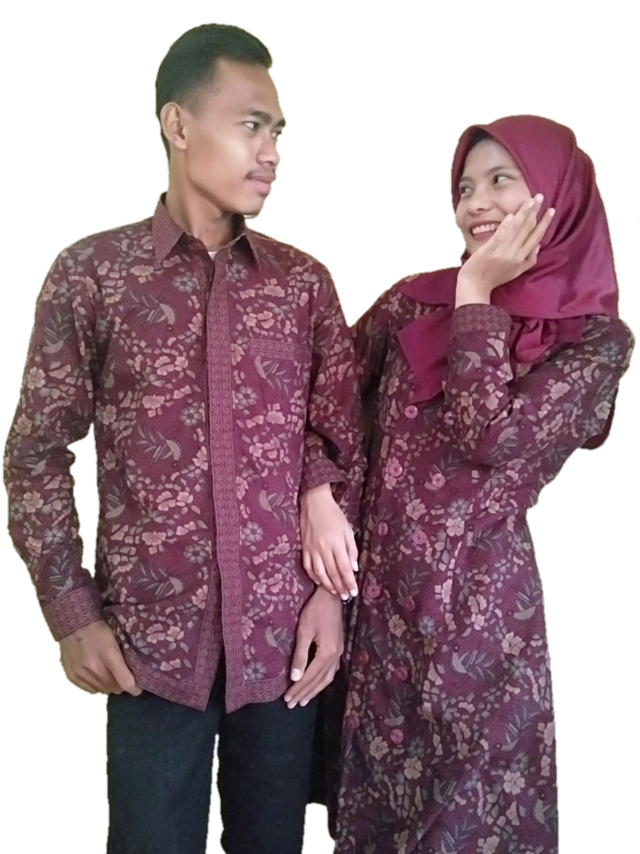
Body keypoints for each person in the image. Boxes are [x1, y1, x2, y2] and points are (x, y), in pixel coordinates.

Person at [1, 22, 365, 854]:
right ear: (177, 124)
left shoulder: (304, 284)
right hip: (147, 650)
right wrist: (69, 611)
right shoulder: (92, 274)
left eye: (278, 132)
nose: (272, 152)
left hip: (283, 650)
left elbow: (340, 441)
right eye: (250, 125)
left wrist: (330, 599)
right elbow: (35, 453)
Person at [317, 114, 636, 852]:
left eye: (501, 180)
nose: (476, 204)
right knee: (373, 818)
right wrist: (317, 505)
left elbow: (488, 436)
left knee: (473, 826)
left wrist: (476, 295)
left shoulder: (595, 341)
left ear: (558, 194)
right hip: (373, 611)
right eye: (464, 188)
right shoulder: (408, 300)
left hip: (482, 620)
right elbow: (325, 409)